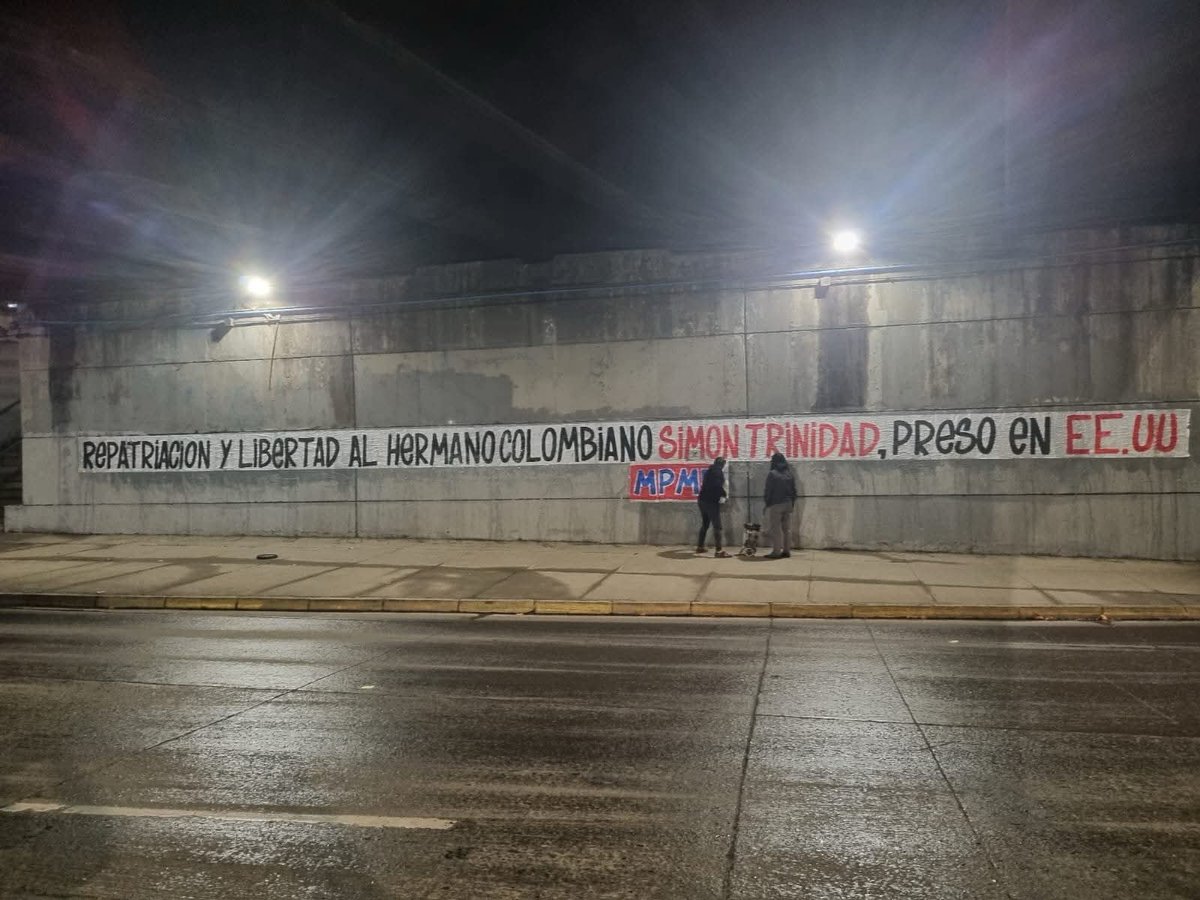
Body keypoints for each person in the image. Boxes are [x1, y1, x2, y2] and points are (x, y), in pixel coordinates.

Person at [763, 452, 797, 559]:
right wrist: (792, 503)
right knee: (787, 529)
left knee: (776, 529)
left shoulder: (772, 474)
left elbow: (768, 490)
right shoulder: (789, 474)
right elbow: (794, 491)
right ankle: (786, 551)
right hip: (788, 503)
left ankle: (776, 552)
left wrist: (767, 503)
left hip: (776, 504)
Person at [696, 456, 730, 558]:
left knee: (705, 524)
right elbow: (717, 486)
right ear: (722, 464)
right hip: (711, 502)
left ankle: (700, 546)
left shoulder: (709, 471)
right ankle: (719, 551)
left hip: (702, 500)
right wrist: (724, 494)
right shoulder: (718, 472)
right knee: (717, 526)